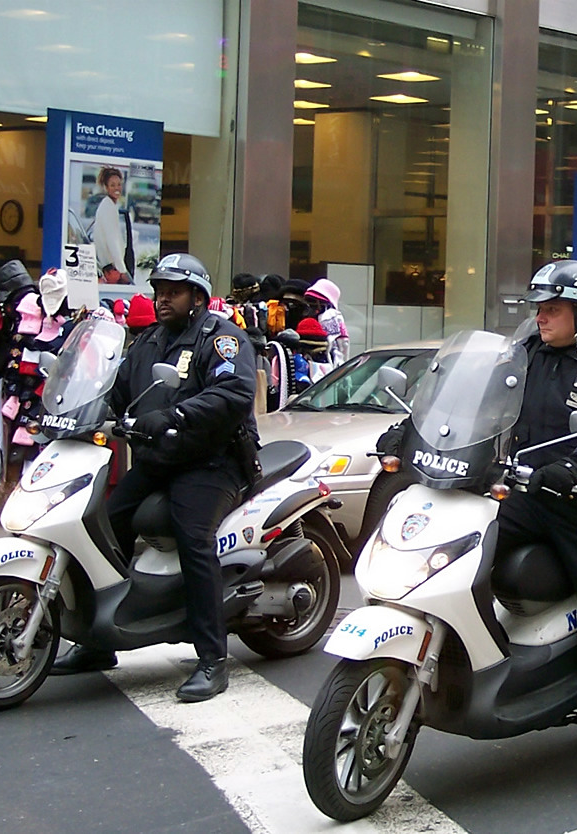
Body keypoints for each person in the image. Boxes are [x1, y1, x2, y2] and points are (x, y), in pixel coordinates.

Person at [382, 260, 577, 792]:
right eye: (538, 307)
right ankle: (484, 660)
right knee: (456, 553)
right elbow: (472, 401)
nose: (541, 316)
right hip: (529, 495)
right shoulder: (522, 353)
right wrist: (408, 431)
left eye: (552, 308)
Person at [51, 253, 260, 703]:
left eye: (173, 292)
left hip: (212, 461)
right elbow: (115, 389)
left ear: (197, 297)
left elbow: (234, 393)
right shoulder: (148, 342)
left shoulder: (222, 339)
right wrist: (73, 411)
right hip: (160, 459)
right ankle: (97, 641)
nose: (162, 299)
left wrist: (175, 413)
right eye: (159, 291)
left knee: (193, 538)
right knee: (105, 524)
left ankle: (211, 659)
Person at [93, 166, 131, 284]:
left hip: (111, 267)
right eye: (112, 185)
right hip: (111, 269)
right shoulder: (108, 207)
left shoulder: (110, 205)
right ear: (106, 187)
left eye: (119, 184)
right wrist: (122, 270)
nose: (117, 188)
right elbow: (112, 240)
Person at [304, 278, 351, 365]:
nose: (312, 306)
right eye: (310, 301)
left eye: (315, 301)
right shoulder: (309, 318)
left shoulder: (332, 316)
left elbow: (343, 344)